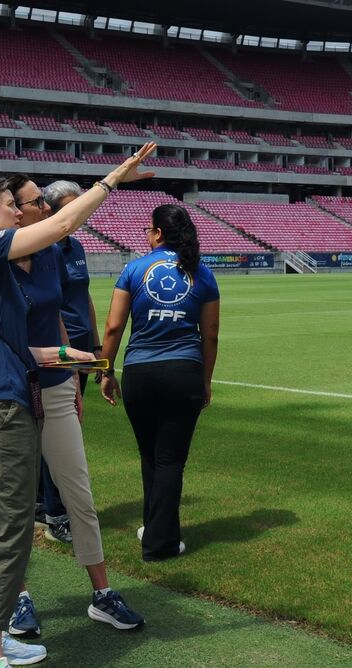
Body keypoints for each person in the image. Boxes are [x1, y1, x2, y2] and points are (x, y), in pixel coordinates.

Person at [0, 142, 155, 668]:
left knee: (3, 527)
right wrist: (114, 179)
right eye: (8, 204)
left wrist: (76, 358)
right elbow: (64, 219)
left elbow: (26, 348)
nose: (18, 209)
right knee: (9, 532)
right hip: (0, 408)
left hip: (7, 398)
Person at [99, 204, 220, 562]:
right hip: (184, 372)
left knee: (150, 455)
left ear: (158, 233)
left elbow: (113, 328)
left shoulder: (134, 269)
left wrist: (105, 371)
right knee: (170, 460)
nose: (146, 235)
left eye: (148, 230)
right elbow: (210, 335)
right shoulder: (203, 273)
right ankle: (160, 542)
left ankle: (155, 529)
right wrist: (206, 381)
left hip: (140, 372)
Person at [38, 180, 104, 546]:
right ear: (49, 210)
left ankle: (48, 504)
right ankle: (56, 513)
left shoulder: (75, 245)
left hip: (81, 349)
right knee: (59, 432)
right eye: (68, 206)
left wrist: (94, 344)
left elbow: (84, 296)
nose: (77, 212)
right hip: (56, 352)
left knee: (69, 427)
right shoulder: (41, 246)